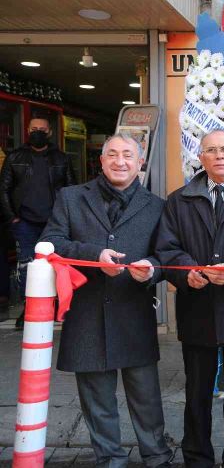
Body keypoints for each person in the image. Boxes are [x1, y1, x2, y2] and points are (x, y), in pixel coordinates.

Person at [40, 134, 172, 468]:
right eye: (111, 154)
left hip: (133, 311)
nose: (119, 161)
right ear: (101, 161)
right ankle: (110, 460)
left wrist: (153, 270)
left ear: (140, 163)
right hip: (86, 313)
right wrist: (93, 254)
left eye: (128, 155)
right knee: (96, 400)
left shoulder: (156, 205)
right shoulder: (70, 197)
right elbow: (51, 241)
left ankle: (157, 457)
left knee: (146, 397)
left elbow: (165, 255)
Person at [156, 130, 224, 468]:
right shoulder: (179, 200)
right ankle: (197, 456)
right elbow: (167, 248)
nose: (219, 156)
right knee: (197, 393)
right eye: (211, 150)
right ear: (200, 158)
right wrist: (187, 271)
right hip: (197, 306)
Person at [0, 116, 75, 327]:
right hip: (24, 222)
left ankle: (59, 306)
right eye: (34, 129)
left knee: (58, 265)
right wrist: (11, 217)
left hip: (55, 222)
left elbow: (72, 190)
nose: (38, 132)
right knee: (27, 266)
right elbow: (3, 189)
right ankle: (30, 308)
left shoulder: (61, 158)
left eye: (42, 129)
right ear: (27, 130)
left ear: (49, 132)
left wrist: (68, 218)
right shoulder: (15, 157)